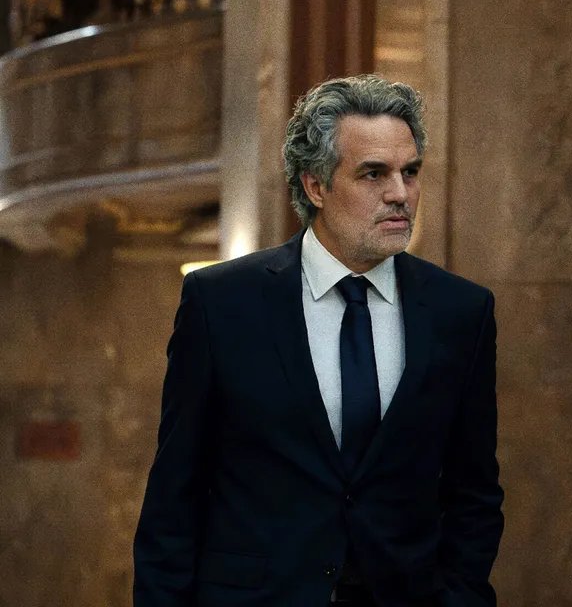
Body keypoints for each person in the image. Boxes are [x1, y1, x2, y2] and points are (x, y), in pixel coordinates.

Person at [134, 75, 503, 607]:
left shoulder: (461, 312)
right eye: (373, 174)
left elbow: (474, 492)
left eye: (410, 172)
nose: (400, 194)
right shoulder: (222, 303)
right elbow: (175, 493)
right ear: (315, 186)